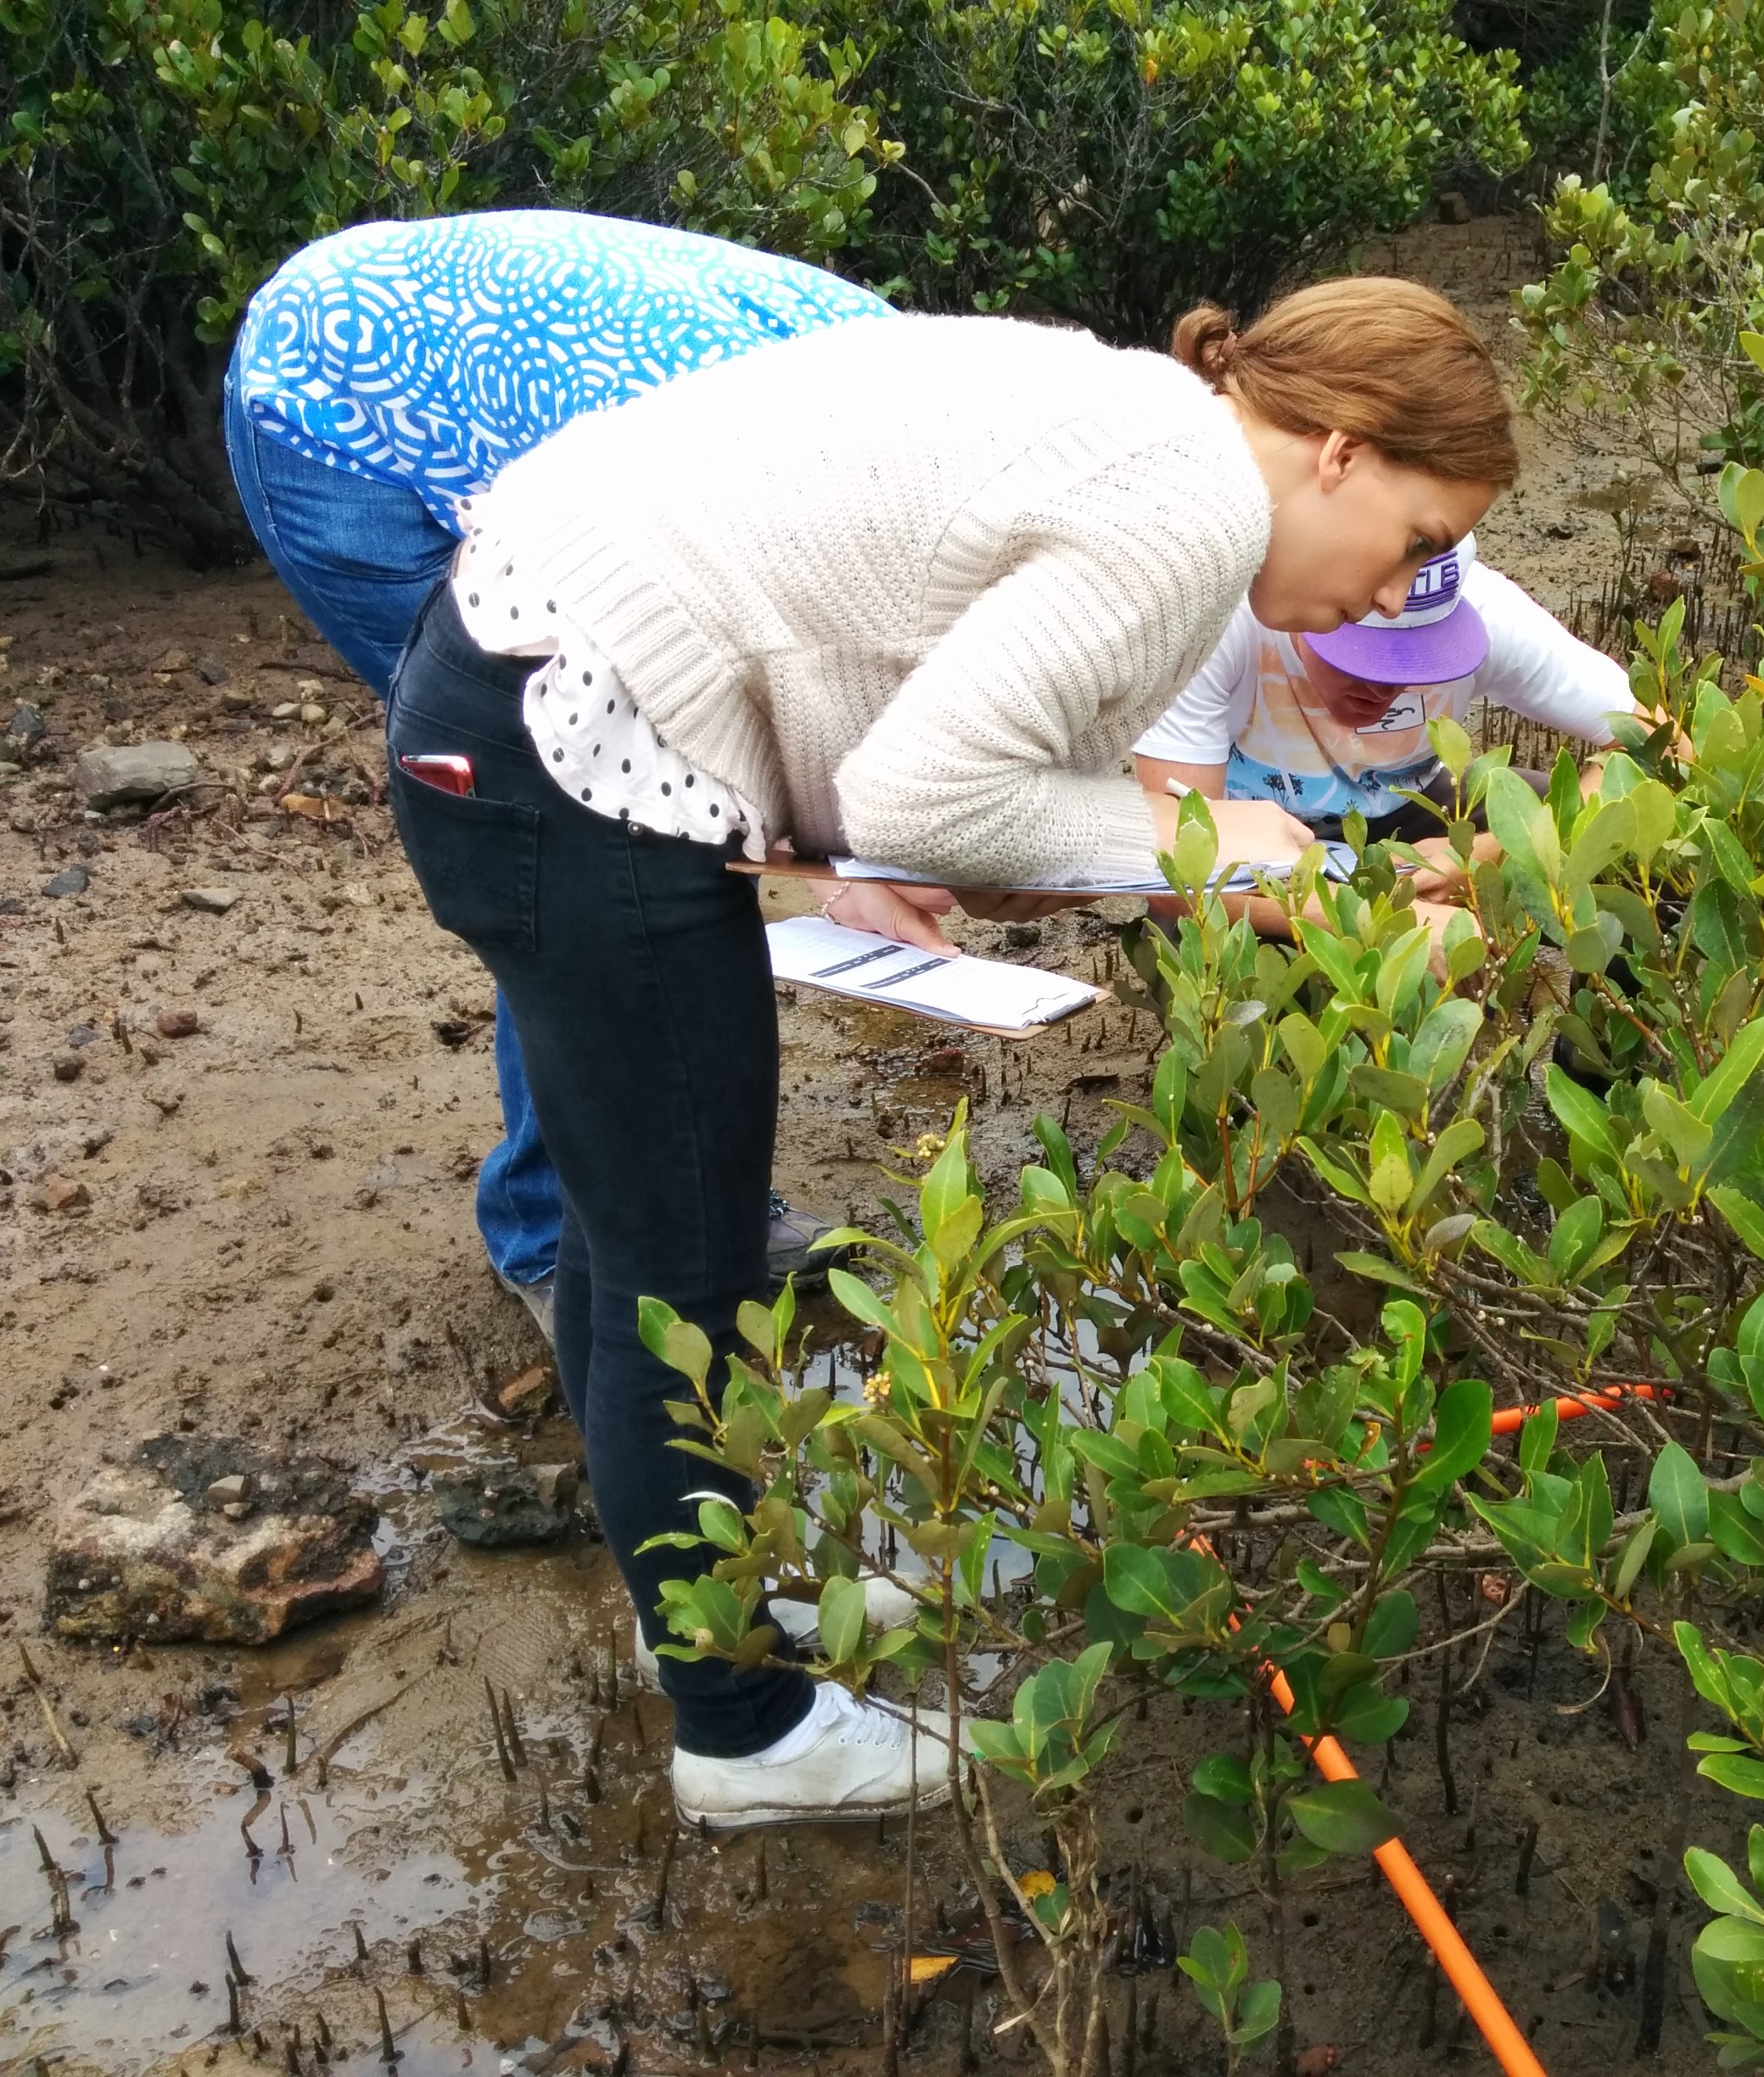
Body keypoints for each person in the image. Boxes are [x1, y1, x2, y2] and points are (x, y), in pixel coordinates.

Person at [381, 272, 1513, 1826]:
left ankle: (702, 1611)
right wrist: (1241, 848)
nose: (1402, 595)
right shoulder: (1188, 507)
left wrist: (1181, 848)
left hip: (507, 698)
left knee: (618, 1217)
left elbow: (933, 792)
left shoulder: (1145, 423)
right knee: (677, 1255)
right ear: (1337, 452)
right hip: (575, 747)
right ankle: (742, 1730)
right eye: (1417, 542)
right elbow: (927, 802)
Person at [223, 211, 887, 1338]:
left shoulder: (903, 407)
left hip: (497, 406)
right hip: (335, 410)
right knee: (567, 827)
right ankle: (554, 1231)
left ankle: (670, 1204)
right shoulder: (742, 469)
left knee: (652, 830)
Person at [1131, 532, 1641, 932]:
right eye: (1358, 656)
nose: (1383, 688)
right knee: (1209, 940)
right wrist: (1369, 922)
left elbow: (1665, 747)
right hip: (1252, 839)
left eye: (1417, 659)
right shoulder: (1217, 621)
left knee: (1625, 849)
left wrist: (1498, 850)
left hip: (1411, 805)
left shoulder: (1488, 611)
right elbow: (1171, 876)